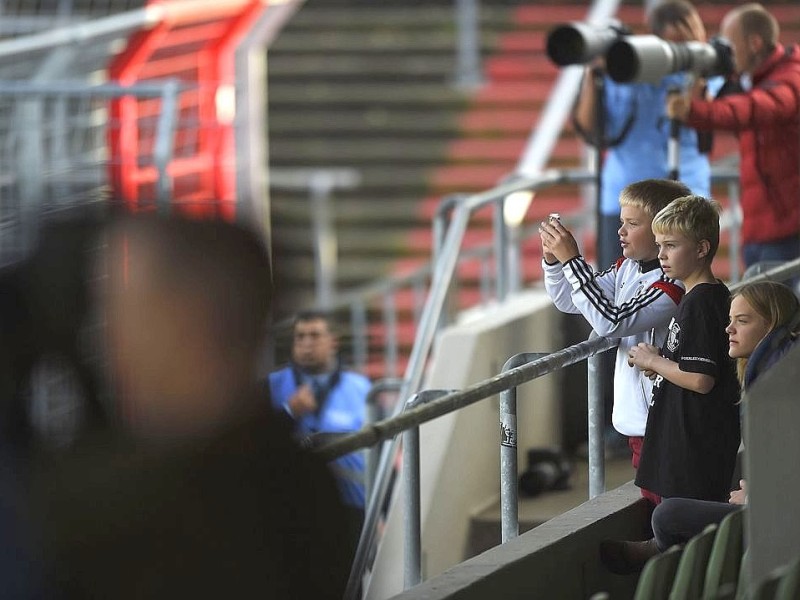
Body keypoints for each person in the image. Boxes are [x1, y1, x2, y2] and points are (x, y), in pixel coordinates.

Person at [31, 215, 352, 599]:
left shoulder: (157, 507)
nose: (111, 342)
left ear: (182, 321)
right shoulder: (299, 474)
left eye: (125, 313)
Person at [602, 280, 800, 573]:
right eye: (729, 320)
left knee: (668, 516)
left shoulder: (781, 382)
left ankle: (659, 552)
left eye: (742, 321)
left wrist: (759, 498)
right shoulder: (771, 371)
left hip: (784, 520)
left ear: (772, 326)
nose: (728, 329)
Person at [539, 178, 688, 503]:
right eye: (621, 222)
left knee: (668, 507)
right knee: (656, 504)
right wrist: (554, 262)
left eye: (632, 224)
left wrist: (573, 262)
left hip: (662, 421)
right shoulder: (628, 268)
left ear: (662, 231)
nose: (620, 231)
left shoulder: (671, 285)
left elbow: (611, 321)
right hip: (640, 422)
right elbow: (571, 300)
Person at [573, 0, 713, 272]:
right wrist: (593, 71)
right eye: (670, 44)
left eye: (683, 44)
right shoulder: (627, 70)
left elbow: (704, 116)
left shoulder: (703, 71)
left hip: (686, 195)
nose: (675, 54)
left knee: (686, 287)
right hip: (626, 197)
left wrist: (698, 62)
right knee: (616, 285)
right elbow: (589, 128)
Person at [666, 3, 800, 268]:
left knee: (774, 307)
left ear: (754, 43)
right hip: (761, 226)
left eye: (730, 46)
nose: (725, 54)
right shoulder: (750, 80)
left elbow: (748, 109)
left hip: (787, 228)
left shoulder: (791, 77)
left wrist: (695, 110)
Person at [628, 195, 741, 504]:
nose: (661, 255)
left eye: (671, 246)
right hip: (689, 441)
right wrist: (663, 362)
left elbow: (701, 378)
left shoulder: (702, 304)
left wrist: (652, 359)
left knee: (677, 522)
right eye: (659, 245)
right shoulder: (701, 298)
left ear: (702, 249)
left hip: (694, 447)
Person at [269, 310, 371, 548]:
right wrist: (288, 412)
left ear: (332, 341)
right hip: (289, 508)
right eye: (300, 337)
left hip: (351, 506)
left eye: (314, 336)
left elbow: (380, 450)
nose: (306, 344)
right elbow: (254, 442)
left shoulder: (361, 388)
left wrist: (382, 509)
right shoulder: (273, 387)